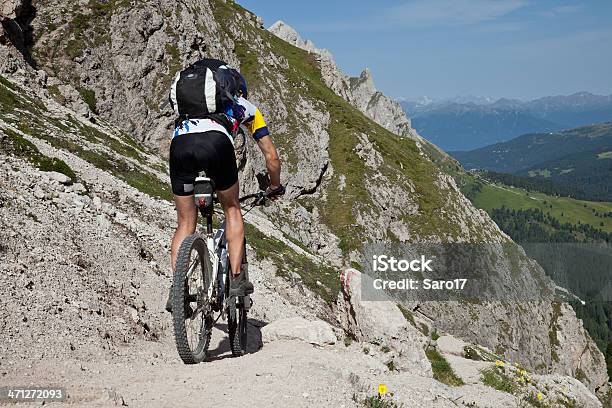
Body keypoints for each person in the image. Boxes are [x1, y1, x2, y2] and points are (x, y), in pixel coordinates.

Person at [166, 60, 284, 312]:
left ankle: (178, 290)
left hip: (180, 146)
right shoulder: (244, 107)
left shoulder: (188, 108)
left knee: (185, 223)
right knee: (232, 210)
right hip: (217, 145)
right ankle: (238, 279)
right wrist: (275, 186)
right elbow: (272, 157)